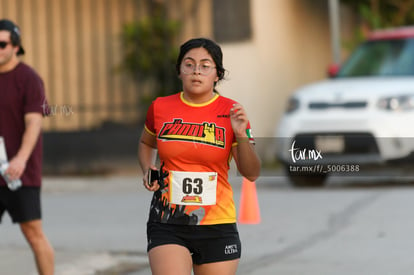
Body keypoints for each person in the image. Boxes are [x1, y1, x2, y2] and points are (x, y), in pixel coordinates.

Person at [138, 37, 261, 275]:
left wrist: (241, 135)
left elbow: (252, 173)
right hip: (167, 220)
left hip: (217, 224)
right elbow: (145, 142)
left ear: (217, 75)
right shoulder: (160, 107)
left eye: (205, 66)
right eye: (189, 64)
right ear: (179, 71)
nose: (196, 71)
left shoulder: (232, 111)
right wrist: (147, 167)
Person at [0, 19, 54, 275]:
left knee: (33, 233)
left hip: (20, 173)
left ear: (16, 46)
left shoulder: (29, 79)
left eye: (2, 44)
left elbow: (34, 122)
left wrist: (20, 160)